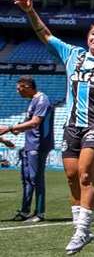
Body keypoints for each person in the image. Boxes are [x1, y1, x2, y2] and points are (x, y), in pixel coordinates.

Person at [10, 0, 94, 254]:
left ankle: (83, 230)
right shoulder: (72, 54)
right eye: (93, 33)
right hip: (72, 127)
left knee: (84, 175)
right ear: (87, 37)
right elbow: (45, 34)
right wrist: (30, 12)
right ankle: (78, 225)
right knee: (71, 176)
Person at [1, 76, 55, 223]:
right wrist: (16, 129)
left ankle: (39, 213)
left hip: (39, 144)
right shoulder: (33, 101)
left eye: (20, 89)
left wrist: (10, 128)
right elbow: (28, 121)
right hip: (29, 144)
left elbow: (35, 122)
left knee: (36, 178)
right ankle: (25, 211)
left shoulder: (42, 100)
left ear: (27, 86)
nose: (18, 92)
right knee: (27, 179)